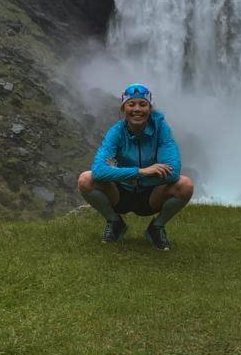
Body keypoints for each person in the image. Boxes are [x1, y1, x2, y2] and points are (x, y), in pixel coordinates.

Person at [77, 83, 194, 250]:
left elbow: (173, 171)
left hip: (151, 195)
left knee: (185, 185)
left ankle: (156, 227)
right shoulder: (116, 132)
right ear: (124, 108)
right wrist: (140, 172)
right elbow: (98, 170)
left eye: (142, 104)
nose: (137, 109)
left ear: (150, 108)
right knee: (85, 179)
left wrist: (138, 178)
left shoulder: (161, 129)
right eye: (131, 104)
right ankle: (115, 222)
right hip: (120, 194)